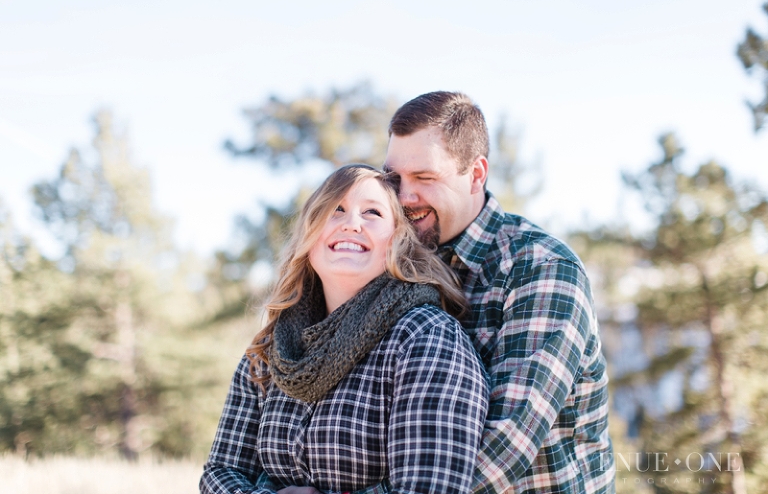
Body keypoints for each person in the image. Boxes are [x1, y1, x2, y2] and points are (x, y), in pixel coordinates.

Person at [200, 164, 489, 494]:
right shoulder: (274, 345)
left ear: (396, 239)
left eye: (372, 213)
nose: (352, 224)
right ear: (311, 234)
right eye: (336, 210)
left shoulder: (427, 339)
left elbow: (430, 488)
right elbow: (222, 471)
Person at [382, 91, 615, 494]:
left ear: (476, 174)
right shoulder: (392, 266)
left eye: (424, 178)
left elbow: (504, 448)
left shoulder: (540, 267)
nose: (404, 197)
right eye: (394, 179)